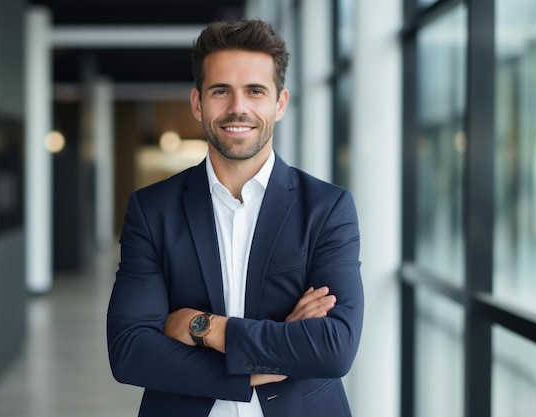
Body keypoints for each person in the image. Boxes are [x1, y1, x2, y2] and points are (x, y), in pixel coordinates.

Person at [107, 18, 364, 417]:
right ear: (197, 103)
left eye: (255, 91)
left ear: (279, 104)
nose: (238, 107)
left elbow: (333, 348)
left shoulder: (327, 208)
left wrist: (204, 328)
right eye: (221, 91)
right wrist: (264, 361)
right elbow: (130, 351)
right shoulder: (152, 209)